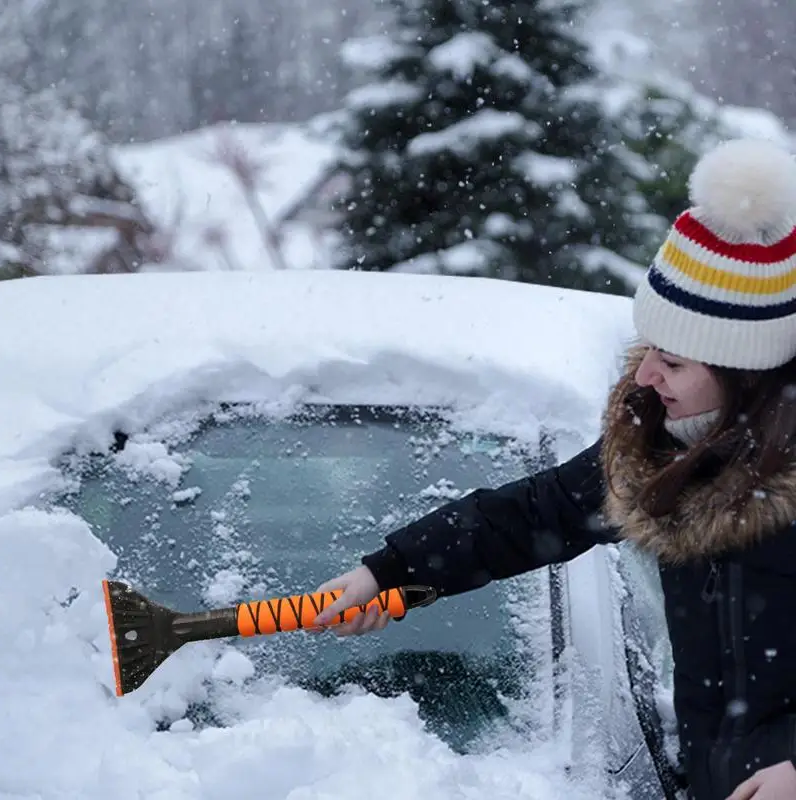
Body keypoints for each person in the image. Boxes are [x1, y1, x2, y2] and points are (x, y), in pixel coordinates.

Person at [312, 138, 796, 800]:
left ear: (744, 372)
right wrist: (388, 572)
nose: (647, 375)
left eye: (674, 363)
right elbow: (523, 518)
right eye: (649, 349)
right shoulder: (667, 454)